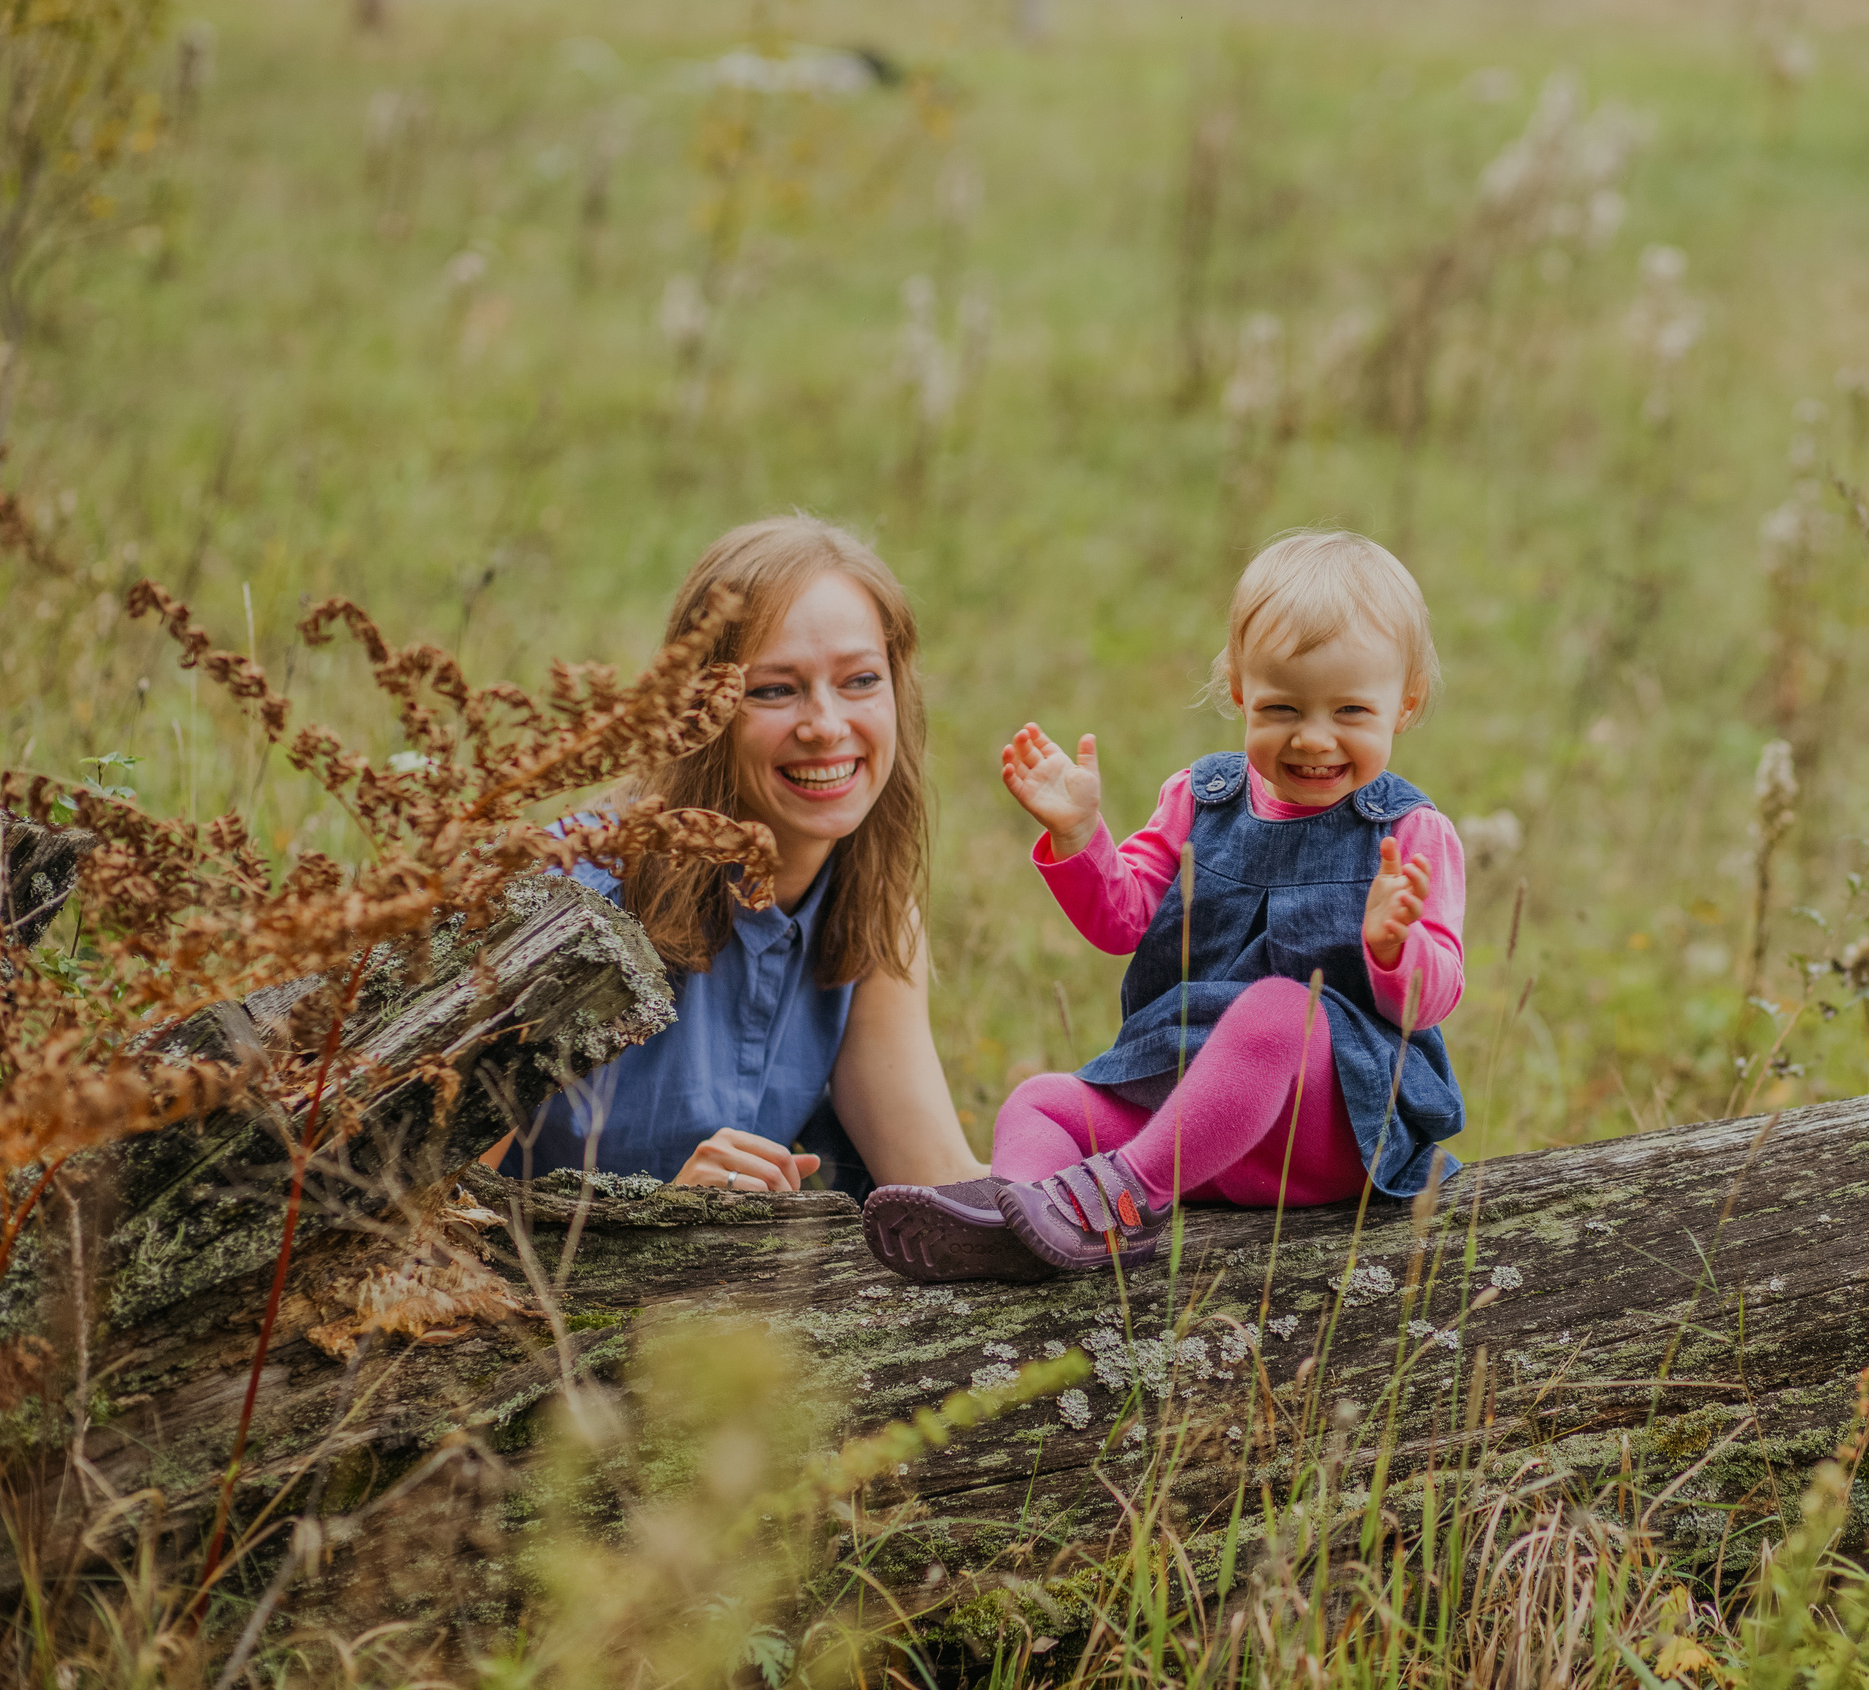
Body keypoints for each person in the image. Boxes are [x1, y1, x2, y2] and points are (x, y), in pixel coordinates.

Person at [863, 529, 1465, 1280]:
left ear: (1403, 704)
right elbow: (1123, 923)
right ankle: (1028, 1222)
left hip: (1334, 1130)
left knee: (1282, 1008)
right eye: (1282, 708)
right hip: (1192, 1131)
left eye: (1350, 711)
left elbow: (1433, 998)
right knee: (1041, 1101)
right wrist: (1083, 836)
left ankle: (1118, 1198)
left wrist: (1392, 948)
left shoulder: (1408, 832)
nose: (1314, 738)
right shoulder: (1199, 799)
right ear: (1240, 688)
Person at [490, 515, 986, 1196]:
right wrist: (661, 1217)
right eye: (774, 689)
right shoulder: (576, 898)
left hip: (726, 1303)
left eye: (860, 679)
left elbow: (937, 1182)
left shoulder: (868, 905)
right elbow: (421, 1227)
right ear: (701, 712)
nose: (826, 725)